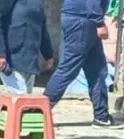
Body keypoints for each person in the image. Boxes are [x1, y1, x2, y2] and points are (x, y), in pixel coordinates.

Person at [43, 0, 117, 128]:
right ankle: (39, 110)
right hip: (82, 20)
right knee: (69, 68)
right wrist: (99, 23)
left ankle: (101, 116)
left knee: (97, 69)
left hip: (84, 19)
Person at [0, 0, 54, 94]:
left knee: (26, 99)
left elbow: (42, 27)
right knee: (20, 98)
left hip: (30, 60)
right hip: (11, 59)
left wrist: (48, 54)